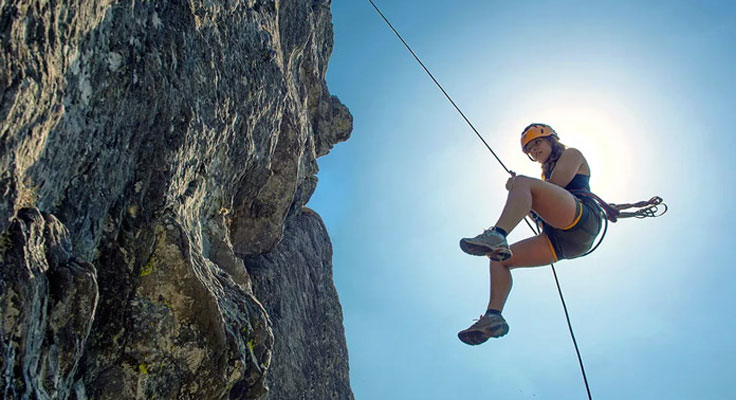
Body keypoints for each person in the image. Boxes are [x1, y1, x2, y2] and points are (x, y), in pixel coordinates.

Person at [457, 123, 603, 345]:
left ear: (551, 140)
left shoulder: (572, 154)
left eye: (538, 143)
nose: (535, 150)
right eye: (530, 149)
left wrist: (521, 188)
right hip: (562, 240)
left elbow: (557, 186)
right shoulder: (544, 177)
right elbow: (539, 213)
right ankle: (492, 317)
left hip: (582, 219)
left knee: (523, 182)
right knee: (498, 260)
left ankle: (497, 234)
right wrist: (522, 193)